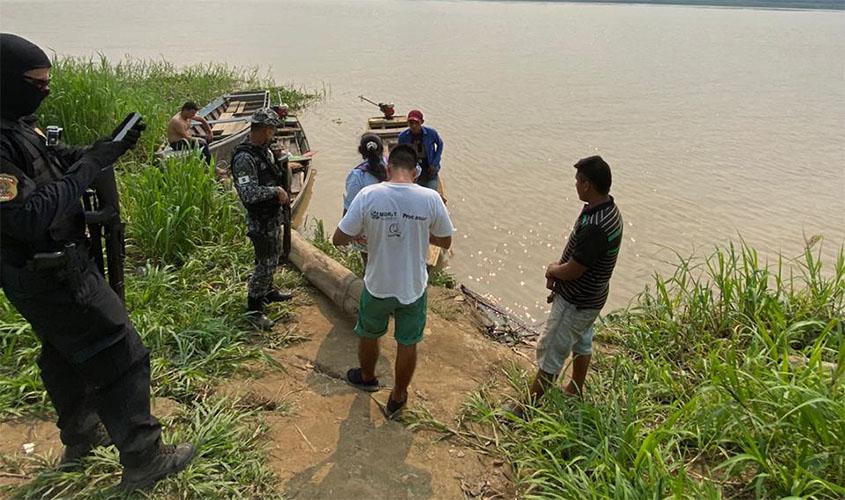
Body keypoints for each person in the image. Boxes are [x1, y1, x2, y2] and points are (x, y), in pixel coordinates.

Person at [0, 33, 194, 490]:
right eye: (36, 83)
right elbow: (27, 216)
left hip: (45, 271)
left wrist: (105, 147)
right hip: (50, 271)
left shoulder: (16, 125)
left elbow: (52, 162)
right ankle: (145, 456)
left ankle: (82, 436)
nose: (45, 90)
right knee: (121, 351)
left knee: (64, 353)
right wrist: (93, 164)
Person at [332, 145, 454, 419]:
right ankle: (398, 396)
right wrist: (420, 232)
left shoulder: (368, 195)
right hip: (412, 288)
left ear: (388, 169)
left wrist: (367, 230)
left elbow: (338, 239)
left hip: (377, 285)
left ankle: (366, 376)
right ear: (415, 171)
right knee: (407, 342)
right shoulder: (430, 198)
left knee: (369, 333)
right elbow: (445, 241)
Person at [510, 156, 623, 419]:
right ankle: (575, 388)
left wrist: (553, 270)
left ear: (587, 185)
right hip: (592, 297)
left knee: (551, 352)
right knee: (582, 340)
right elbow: (577, 256)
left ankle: (526, 410)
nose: (575, 185)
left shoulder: (596, 226)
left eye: (577, 181)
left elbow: (575, 269)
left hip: (577, 301)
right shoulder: (604, 208)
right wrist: (559, 272)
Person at [230, 107, 294, 330]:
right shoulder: (244, 158)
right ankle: (254, 310)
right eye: (272, 130)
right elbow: (248, 193)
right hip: (260, 220)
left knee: (273, 257)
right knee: (264, 264)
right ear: (266, 130)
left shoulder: (264, 150)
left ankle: (268, 291)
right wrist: (275, 191)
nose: (274, 135)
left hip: (272, 216)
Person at [342, 133, 388, 267]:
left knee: (369, 261)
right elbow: (416, 171)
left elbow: (349, 206)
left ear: (361, 151)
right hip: (394, 222)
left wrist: (344, 230)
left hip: (368, 226)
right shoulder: (393, 165)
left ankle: (369, 275)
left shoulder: (357, 175)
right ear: (382, 149)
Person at [397, 109, 443, 191]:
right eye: (411, 123)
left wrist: (435, 163)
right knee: (413, 192)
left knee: (432, 191)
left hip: (429, 168)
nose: (414, 126)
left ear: (422, 122)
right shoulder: (403, 137)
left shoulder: (431, 133)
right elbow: (401, 153)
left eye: (416, 123)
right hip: (413, 168)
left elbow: (440, 144)